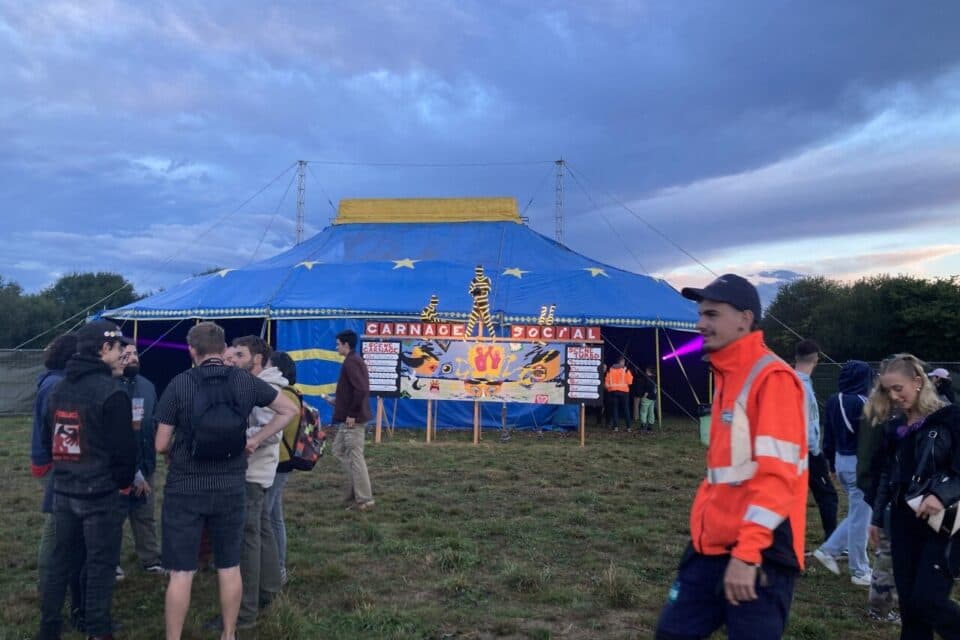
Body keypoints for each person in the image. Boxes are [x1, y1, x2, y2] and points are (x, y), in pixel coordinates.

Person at [655, 274, 808, 640]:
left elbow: (777, 478)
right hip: (710, 547)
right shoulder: (728, 373)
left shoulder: (771, 378)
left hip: (759, 554)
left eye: (711, 314)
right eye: (700, 314)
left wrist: (747, 554)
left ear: (744, 318)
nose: (700, 324)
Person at [154, 322, 298, 640]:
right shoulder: (245, 382)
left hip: (185, 487)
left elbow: (161, 443)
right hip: (231, 485)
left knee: (181, 572)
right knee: (230, 566)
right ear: (223, 350)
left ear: (193, 350)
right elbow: (289, 409)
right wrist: (255, 439)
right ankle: (230, 633)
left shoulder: (179, 384)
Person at [37, 320, 137, 640]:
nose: (123, 353)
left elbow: (46, 438)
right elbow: (124, 454)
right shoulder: (112, 392)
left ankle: (49, 629)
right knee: (100, 566)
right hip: (100, 495)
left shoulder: (58, 388)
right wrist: (122, 485)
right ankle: (97, 630)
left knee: (60, 563)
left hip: (64, 490)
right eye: (119, 347)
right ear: (104, 349)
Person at [868, 354, 960, 639]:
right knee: (909, 607)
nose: (894, 396)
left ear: (918, 382)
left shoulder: (950, 417)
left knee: (927, 600)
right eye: (887, 390)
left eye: (899, 388)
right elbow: (887, 475)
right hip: (902, 521)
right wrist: (876, 517)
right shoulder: (894, 427)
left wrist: (940, 494)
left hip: (941, 523)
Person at [211, 335, 285, 631]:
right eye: (229, 356)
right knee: (262, 530)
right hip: (256, 471)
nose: (232, 361)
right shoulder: (252, 383)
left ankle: (244, 613)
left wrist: (229, 434)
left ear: (256, 359)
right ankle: (269, 592)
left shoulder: (266, 387)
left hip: (251, 473)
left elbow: (273, 431)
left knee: (247, 540)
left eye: (239, 356)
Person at [813, 360, 875, 585]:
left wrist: (830, 464)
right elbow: (871, 440)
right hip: (860, 464)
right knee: (861, 517)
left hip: (840, 461)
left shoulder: (832, 400)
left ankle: (837, 548)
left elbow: (827, 435)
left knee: (857, 511)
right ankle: (858, 569)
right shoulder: (865, 403)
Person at [117, 343, 164, 575]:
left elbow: (154, 422)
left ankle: (150, 558)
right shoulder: (109, 386)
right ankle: (110, 561)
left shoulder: (147, 385)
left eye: (134, 353)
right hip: (117, 467)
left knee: (145, 513)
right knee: (115, 516)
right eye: (125, 355)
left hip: (146, 463)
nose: (132, 358)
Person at [321, 329, 374, 511]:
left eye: (338, 344)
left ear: (346, 344)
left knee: (355, 457)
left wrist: (351, 413)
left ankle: (364, 499)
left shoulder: (352, 362)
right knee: (338, 450)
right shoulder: (352, 361)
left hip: (353, 419)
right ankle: (356, 489)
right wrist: (336, 402)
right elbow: (353, 391)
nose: (336, 347)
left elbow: (361, 390)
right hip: (349, 416)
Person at [263, 351, 301, 586]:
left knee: (262, 519)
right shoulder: (294, 393)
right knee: (275, 518)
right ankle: (279, 567)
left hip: (277, 462)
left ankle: (272, 573)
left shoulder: (281, 396)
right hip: (284, 463)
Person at [794, 339, 837, 545]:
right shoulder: (803, 386)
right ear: (816, 359)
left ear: (795, 357)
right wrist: (815, 450)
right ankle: (832, 540)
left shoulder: (791, 380)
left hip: (791, 449)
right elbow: (808, 421)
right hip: (807, 451)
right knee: (827, 495)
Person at [604, 357, 633, 432]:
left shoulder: (610, 370)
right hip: (624, 392)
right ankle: (629, 427)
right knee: (626, 409)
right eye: (624, 362)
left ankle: (616, 427)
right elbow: (630, 382)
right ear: (621, 362)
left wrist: (609, 389)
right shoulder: (625, 370)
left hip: (613, 392)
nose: (624, 363)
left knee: (615, 409)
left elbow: (606, 382)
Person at [638, 365, 657, 432]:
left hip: (647, 397)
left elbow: (648, 386)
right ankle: (650, 425)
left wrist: (645, 394)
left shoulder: (647, 378)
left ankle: (643, 425)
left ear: (648, 371)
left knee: (643, 411)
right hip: (653, 397)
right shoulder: (654, 378)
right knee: (651, 411)